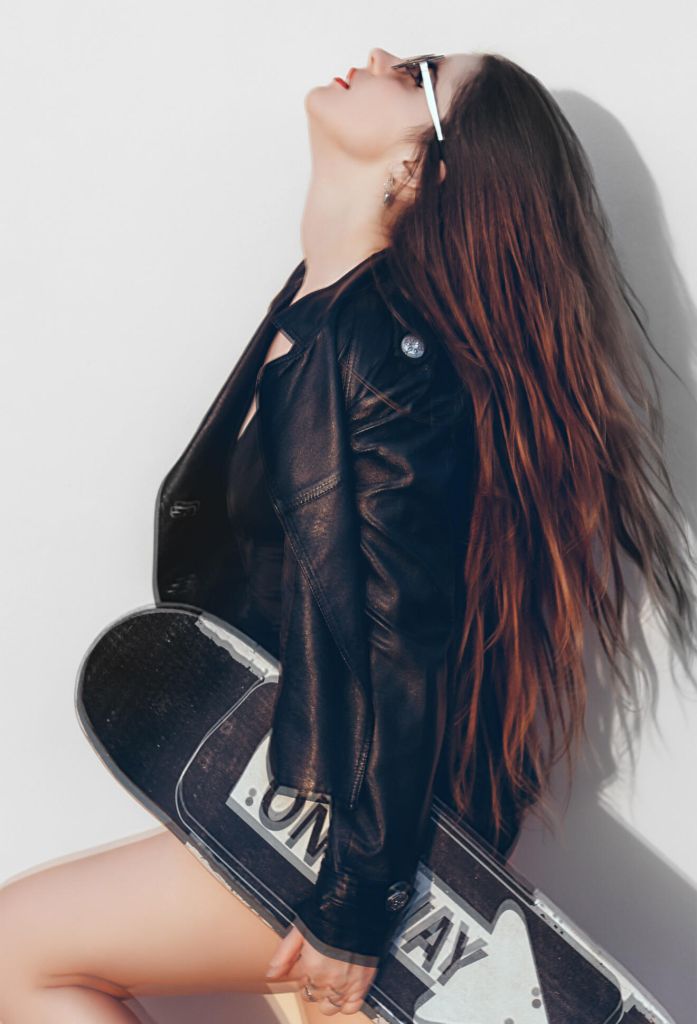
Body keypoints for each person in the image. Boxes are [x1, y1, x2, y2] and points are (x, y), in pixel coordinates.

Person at [1, 46, 694, 1024]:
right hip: (293, 803)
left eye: (413, 75)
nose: (374, 57)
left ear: (419, 164)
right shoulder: (322, 307)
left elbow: (399, 647)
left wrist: (359, 900)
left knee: (17, 949)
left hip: (348, 838)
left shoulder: (382, 353)